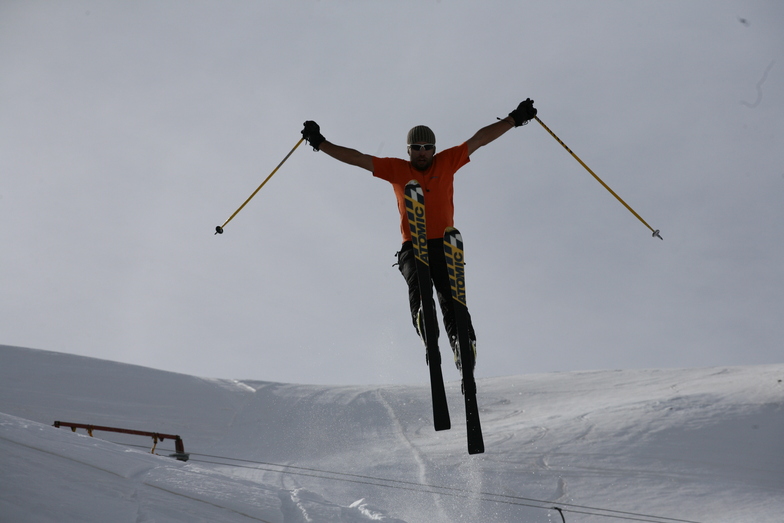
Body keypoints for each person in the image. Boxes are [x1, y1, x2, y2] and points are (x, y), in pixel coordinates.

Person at [301, 99, 537, 370]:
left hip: (446, 247)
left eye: (428, 148)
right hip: (413, 247)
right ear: (408, 150)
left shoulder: (447, 161)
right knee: (418, 280)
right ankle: (424, 316)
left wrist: (514, 118)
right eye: (417, 148)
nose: (422, 153)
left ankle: (463, 342)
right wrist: (319, 142)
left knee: (452, 298)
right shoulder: (396, 168)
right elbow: (356, 158)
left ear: (434, 149)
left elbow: (480, 139)